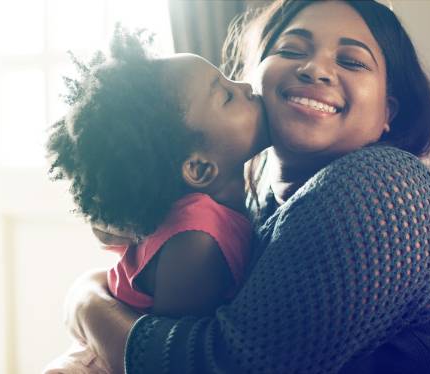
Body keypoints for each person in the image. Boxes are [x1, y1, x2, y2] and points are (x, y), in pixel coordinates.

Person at [62, 1, 430, 373]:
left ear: (387, 112)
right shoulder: (256, 201)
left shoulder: (381, 185)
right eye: (291, 50)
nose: (315, 68)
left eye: (352, 61)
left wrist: (87, 303)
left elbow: (224, 365)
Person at [42, 27, 269, 373]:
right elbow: (167, 358)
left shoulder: (209, 212)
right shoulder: (198, 238)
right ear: (198, 167)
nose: (246, 87)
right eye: (226, 96)